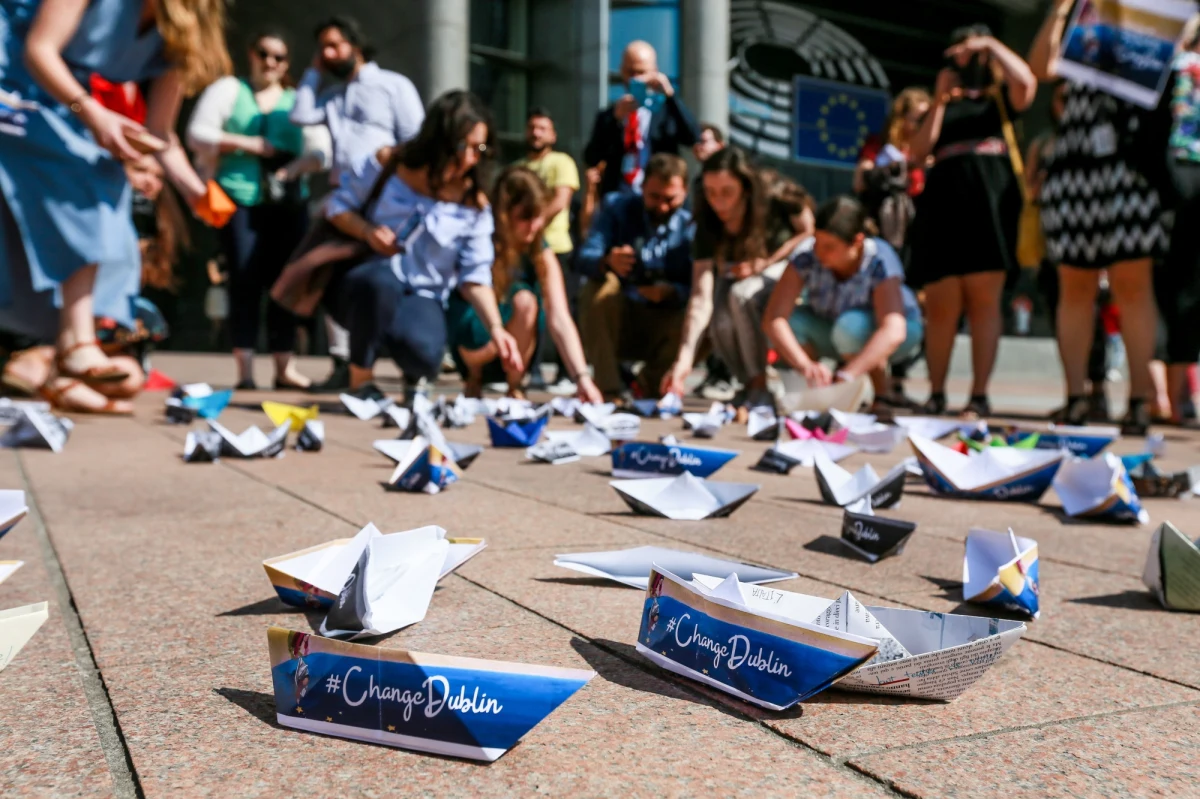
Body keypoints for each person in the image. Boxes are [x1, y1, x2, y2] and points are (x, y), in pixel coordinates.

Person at [0, 0, 230, 414]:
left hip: (67, 103)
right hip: (15, 79)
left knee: (107, 184)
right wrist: (92, 113)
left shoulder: (179, 30)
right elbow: (39, 50)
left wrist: (196, 191)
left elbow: (160, 134)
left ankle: (63, 361)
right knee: (88, 176)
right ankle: (74, 346)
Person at [321, 90, 521, 405]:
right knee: (380, 282)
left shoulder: (474, 203)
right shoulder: (390, 164)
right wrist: (368, 231)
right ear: (438, 141)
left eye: (479, 148)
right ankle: (360, 381)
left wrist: (497, 328)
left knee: (427, 355)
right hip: (361, 284)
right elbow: (336, 207)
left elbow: (474, 276)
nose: (470, 158)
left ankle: (415, 374)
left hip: (422, 294)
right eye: (461, 146)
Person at [1030, 0, 1173, 434]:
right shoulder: (1082, 17)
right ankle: (1075, 397)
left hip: (1130, 163)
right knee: (1074, 284)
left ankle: (1139, 402)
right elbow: (1041, 68)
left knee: (1132, 285)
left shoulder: (1155, 16)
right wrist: (1060, 10)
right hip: (1075, 165)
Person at [187, 30, 332, 391]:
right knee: (244, 282)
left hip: (287, 204)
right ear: (251, 54)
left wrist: (293, 168)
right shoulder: (229, 90)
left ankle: (284, 368)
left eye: (279, 57)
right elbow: (197, 133)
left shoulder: (297, 99)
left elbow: (322, 150)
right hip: (237, 201)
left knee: (286, 284)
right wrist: (250, 145)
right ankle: (245, 372)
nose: (270, 62)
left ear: (286, 64)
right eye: (264, 53)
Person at [289, 15, 425, 394]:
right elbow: (300, 114)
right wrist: (314, 73)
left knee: (391, 276)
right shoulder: (332, 97)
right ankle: (345, 365)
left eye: (335, 45)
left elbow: (415, 139)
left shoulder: (392, 85)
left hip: (385, 198)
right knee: (331, 277)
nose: (329, 54)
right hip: (344, 202)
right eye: (323, 49)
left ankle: (410, 368)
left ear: (356, 45)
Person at [906, 25, 1036, 419]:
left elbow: (1027, 82)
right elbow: (916, 152)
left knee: (984, 305)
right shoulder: (941, 104)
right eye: (959, 48)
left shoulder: (1000, 99)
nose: (963, 56)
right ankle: (937, 392)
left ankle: (979, 395)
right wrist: (941, 99)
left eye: (970, 49)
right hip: (943, 211)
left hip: (990, 211)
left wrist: (993, 44)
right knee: (942, 307)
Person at [661, 148, 804, 416]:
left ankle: (760, 385)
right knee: (719, 320)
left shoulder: (776, 196)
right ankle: (751, 385)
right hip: (741, 275)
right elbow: (700, 296)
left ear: (746, 188)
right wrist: (684, 360)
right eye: (711, 192)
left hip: (787, 273)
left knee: (741, 294)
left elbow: (809, 232)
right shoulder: (706, 222)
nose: (719, 202)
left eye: (727, 192)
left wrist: (766, 262)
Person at [447, 166, 602, 403]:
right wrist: (497, 334)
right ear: (503, 213)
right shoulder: (480, 241)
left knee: (525, 301)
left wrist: (582, 378)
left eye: (538, 216)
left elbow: (560, 317)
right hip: (475, 344)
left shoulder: (540, 251)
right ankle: (474, 378)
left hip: (516, 353)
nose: (534, 226)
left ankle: (514, 386)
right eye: (524, 217)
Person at [761, 196, 924, 409]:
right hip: (833, 328)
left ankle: (882, 394)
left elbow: (893, 330)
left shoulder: (879, 258)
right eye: (817, 242)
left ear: (857, 241)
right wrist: (805, 365)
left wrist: (848, 374)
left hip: (895, 332)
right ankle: (815, 391)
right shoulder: (806, 254)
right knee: (793, 322)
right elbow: (774, 318)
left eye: (830, 247)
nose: (819, 253)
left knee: (850, 327)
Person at [577, 153, 693, 401]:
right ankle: (608, 390)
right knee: (598, 286)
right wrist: (607, 261)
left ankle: (650, 385)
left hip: (665, 323)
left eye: (670, 199)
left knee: (706, 311)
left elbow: (700, 284)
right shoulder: (616, 207)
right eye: (654, 197)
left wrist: (672, 291)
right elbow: (583, 257)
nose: (661, 207)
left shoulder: (693, 224)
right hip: (620, 318)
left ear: (685, 191)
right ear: (641, 187)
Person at [584, 40, 700, 197]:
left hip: (660, 195)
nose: (636, 79)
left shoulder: (666, 111)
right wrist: (614, 120)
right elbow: (591, 157)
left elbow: (693, 136)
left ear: (655, 72)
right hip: (620, 196)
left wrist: (670, 96)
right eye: (630, 72)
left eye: (641, 72)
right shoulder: (610, 115)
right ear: (621, 71)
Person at [1156, 21, 1200, 425]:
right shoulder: (1183, 63)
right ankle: (1178, 397)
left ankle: (1166, 396)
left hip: (1172, 173)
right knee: (1184, 291)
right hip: (1185, 173)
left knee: (1168, 287)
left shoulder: (1175, 60)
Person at [854, 87, 931, 250]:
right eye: (919, 118)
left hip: (917, 229)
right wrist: (901, 166)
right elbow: (859, 182)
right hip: (882, 224)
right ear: (902, 117)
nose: (923, 124)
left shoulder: (931, 153)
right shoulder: (878, 145)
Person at [515, 108, 579, 263]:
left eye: (542, 129)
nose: (536, 133)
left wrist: (534, 225)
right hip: (522, 249)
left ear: (553, 136)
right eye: (532, 128)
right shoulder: (516, 168)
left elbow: (560, 201)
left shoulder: (562, 161)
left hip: (555, 247)